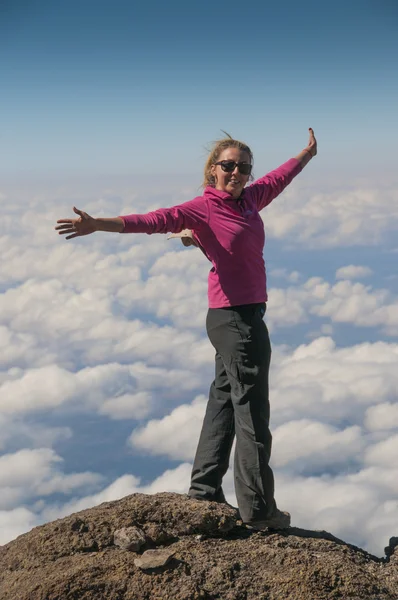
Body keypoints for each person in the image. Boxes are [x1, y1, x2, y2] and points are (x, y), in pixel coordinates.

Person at [55, 128, 317, 530]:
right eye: (229, 166)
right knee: (253, 414)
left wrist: (305, 155)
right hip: (236, 322)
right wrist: (98, 225)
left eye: (244, 168)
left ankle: (204, 489)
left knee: (225, 401)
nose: (237, 173)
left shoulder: (250, 199)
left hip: (237, 317)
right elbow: (154, 220)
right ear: (213, 170)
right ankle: (259, 511)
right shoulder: (203, 208)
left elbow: (278, 178)